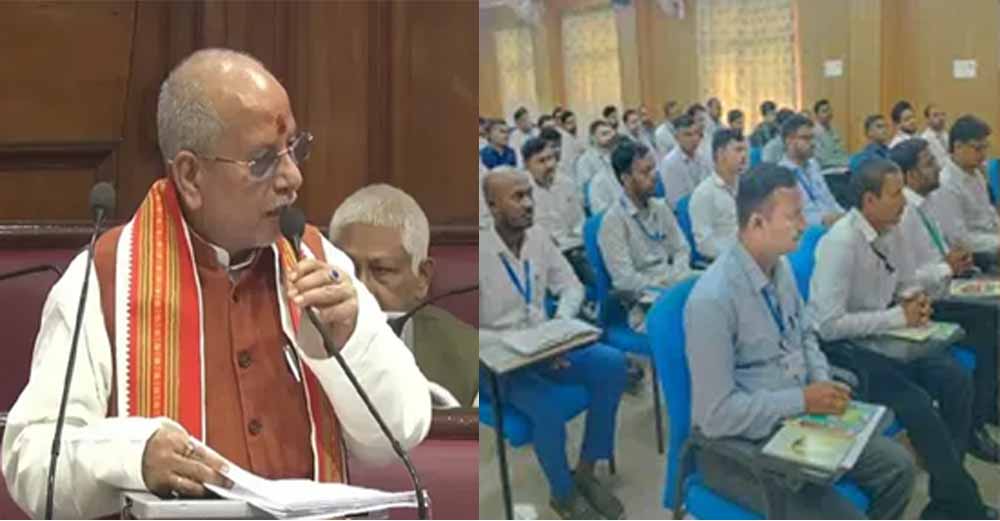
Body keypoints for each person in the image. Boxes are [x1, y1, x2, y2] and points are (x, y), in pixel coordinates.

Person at [1, 48, 431, 519]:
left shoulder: (318, 261)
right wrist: (131, 458)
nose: (293, 177)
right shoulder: (104, 278)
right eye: (263, 160)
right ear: (190, 175)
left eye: (294, 148)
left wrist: (347, 343)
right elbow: (32, 461)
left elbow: (399, 435)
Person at [686, 162, 916, 519]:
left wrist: (821, 382)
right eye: (793, 216)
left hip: (799, 418)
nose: (804, 224)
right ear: (757, 223)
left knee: (899, 468)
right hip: (742, 447)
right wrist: (802, 400)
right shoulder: (712, 300)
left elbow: (805, 333)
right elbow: (715, 417)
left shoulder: (781, 270)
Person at [808, 157, 995, 519]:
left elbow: (906, 281)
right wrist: (897, 316)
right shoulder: (841, 243)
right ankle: (964, 504)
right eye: (895, 194)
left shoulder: (891, 231)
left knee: (955, 380)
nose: (903, 202)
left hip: (889, 339)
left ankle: (947, 496)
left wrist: (915, 301)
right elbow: (827, 325)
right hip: (848, 352)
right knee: (918, 404)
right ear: (869, 201)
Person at [479, 169, 627, 520]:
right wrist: (524, 344)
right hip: (495, 362)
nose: (529, 203)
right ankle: (562, 493)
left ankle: (585, 471)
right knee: (547, 406)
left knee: (612, 363)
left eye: (529, 194)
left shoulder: (539, 237)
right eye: (517, 197)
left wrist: (558, 328)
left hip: (545, 346)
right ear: (492, 206)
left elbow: (572, 287)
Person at [890, 139, 1000, 462]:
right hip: (927, 302)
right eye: (928, 163)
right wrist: (946, 267)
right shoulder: (903, 214)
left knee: (993, 315)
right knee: (985, 330)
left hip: (948, 286)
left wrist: (953, 260)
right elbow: (905, 278)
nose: (938, 167)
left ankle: (988, 404)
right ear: (910, 175)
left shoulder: (926, 204)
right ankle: (974, 427)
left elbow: (938, 252)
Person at [329, 184, 478, 408]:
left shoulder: (470, 357)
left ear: (422, 278)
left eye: (382, 270)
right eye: (347, 268)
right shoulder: (300, 339)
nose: (361, 288)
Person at [598, 141, 691, 332]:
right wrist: (665, 283)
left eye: (654, 169)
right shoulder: (613, 222)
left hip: (675, 282)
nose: (654, 176)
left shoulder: (660, 207)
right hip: (648, 303)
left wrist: (678, 274)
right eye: (645, 172)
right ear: (626, 178)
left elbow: (682, 248)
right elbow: (625, 280)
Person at [522, 137, 593, 287]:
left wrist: (576, 239)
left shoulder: (566, 183)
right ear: (527, 165)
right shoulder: (522, 192)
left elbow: (579, 221)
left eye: (551, 158)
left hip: (574, 246)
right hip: (542, 253)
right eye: (541, 161)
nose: (549, 165)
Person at [927, 114, 1000, 259]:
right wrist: (997, 242)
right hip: (975, 255)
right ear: (958, 146)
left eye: (985, 147)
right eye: (977, 148)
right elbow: (959, 239)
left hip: (991, 241)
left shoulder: (976, 173)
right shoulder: (946, 183)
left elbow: (989, 214)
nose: (983, 154)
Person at [690, 129, 747, 260]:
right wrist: (738, 254)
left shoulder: (747, 186)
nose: (744, 155)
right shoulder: (704, 194)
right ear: (720, 154)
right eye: (738, 150)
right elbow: (704, 244)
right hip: (726, 261)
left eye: (745, 150)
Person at [778, 114, 844, 227]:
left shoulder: (814, 165)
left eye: (813, 138)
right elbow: (792, 217)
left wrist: (844, 215)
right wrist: (824, 220)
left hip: (833, 225)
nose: (813, 143)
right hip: (810, 230)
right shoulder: (781, 174)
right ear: (789, 140)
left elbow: (829, 200)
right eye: (806, 138)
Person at [659, 114, 713, 208]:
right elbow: (676, 203)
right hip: (686, 211)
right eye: (688, 135)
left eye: (696, 133)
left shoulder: (704, 154)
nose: (694, 139)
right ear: (676, 137)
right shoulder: (669, 163)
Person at [575, 120, 618, 209]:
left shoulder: (613, 154)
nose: (609, 137)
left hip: (618, 204)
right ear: (593, 138)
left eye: (610, 134)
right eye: (604, 134)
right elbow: (585, 193)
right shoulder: (585, 161)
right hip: (600, 207)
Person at [812, 99, 849, 171]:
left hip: (840, 167)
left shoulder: (834, 130)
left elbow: (841, 151)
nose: (828, 113)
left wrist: (848, 161)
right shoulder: (814, 133)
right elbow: (823, 160)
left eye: (829, 110)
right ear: (817, 115)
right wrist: (844, 162)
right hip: (825, 170)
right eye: (824, 111)